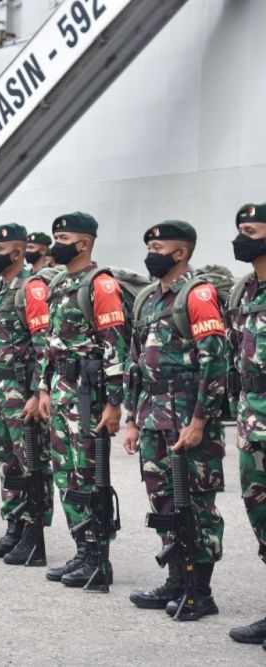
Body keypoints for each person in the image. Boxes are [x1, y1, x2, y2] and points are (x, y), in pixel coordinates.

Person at [123, 221, 226, 620]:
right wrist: (133, 419)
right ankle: (175, 581)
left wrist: (200, 421)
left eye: (159, 244)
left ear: (180, 253)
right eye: (149, 243)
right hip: (152, 418)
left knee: (196, 504)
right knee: (164, 501)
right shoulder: (148, 299)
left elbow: (215, 363)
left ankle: (199, 591)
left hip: (187, 418)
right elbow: (136, 365)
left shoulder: (197, 296)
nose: (151, 250)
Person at [38, 212, 127, 588]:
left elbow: (115, 344)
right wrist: (43, 387)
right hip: (61, 392)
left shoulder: (101, 285)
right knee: (66, 475)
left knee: (90, 475)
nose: (57, 242)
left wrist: (115, 402)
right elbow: (51, 342)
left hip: (89, 397)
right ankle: (81, 548)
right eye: (56, 235)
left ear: (85, 242)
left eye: (64, 236)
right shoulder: (60, 283)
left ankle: (98, 558)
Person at [0, 225, 53, 561]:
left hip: (21, 391)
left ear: (18, 253)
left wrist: (38, 392)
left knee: (30, 461)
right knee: (5, 462)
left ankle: (33, 534)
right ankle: (14, 527)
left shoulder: (30, 289)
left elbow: (44, 345)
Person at [226, 202, 266, 650]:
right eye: (239, 229)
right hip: (251, 420)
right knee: (261, 517)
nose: (242, 237)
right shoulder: (244, 290)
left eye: (251, 230)